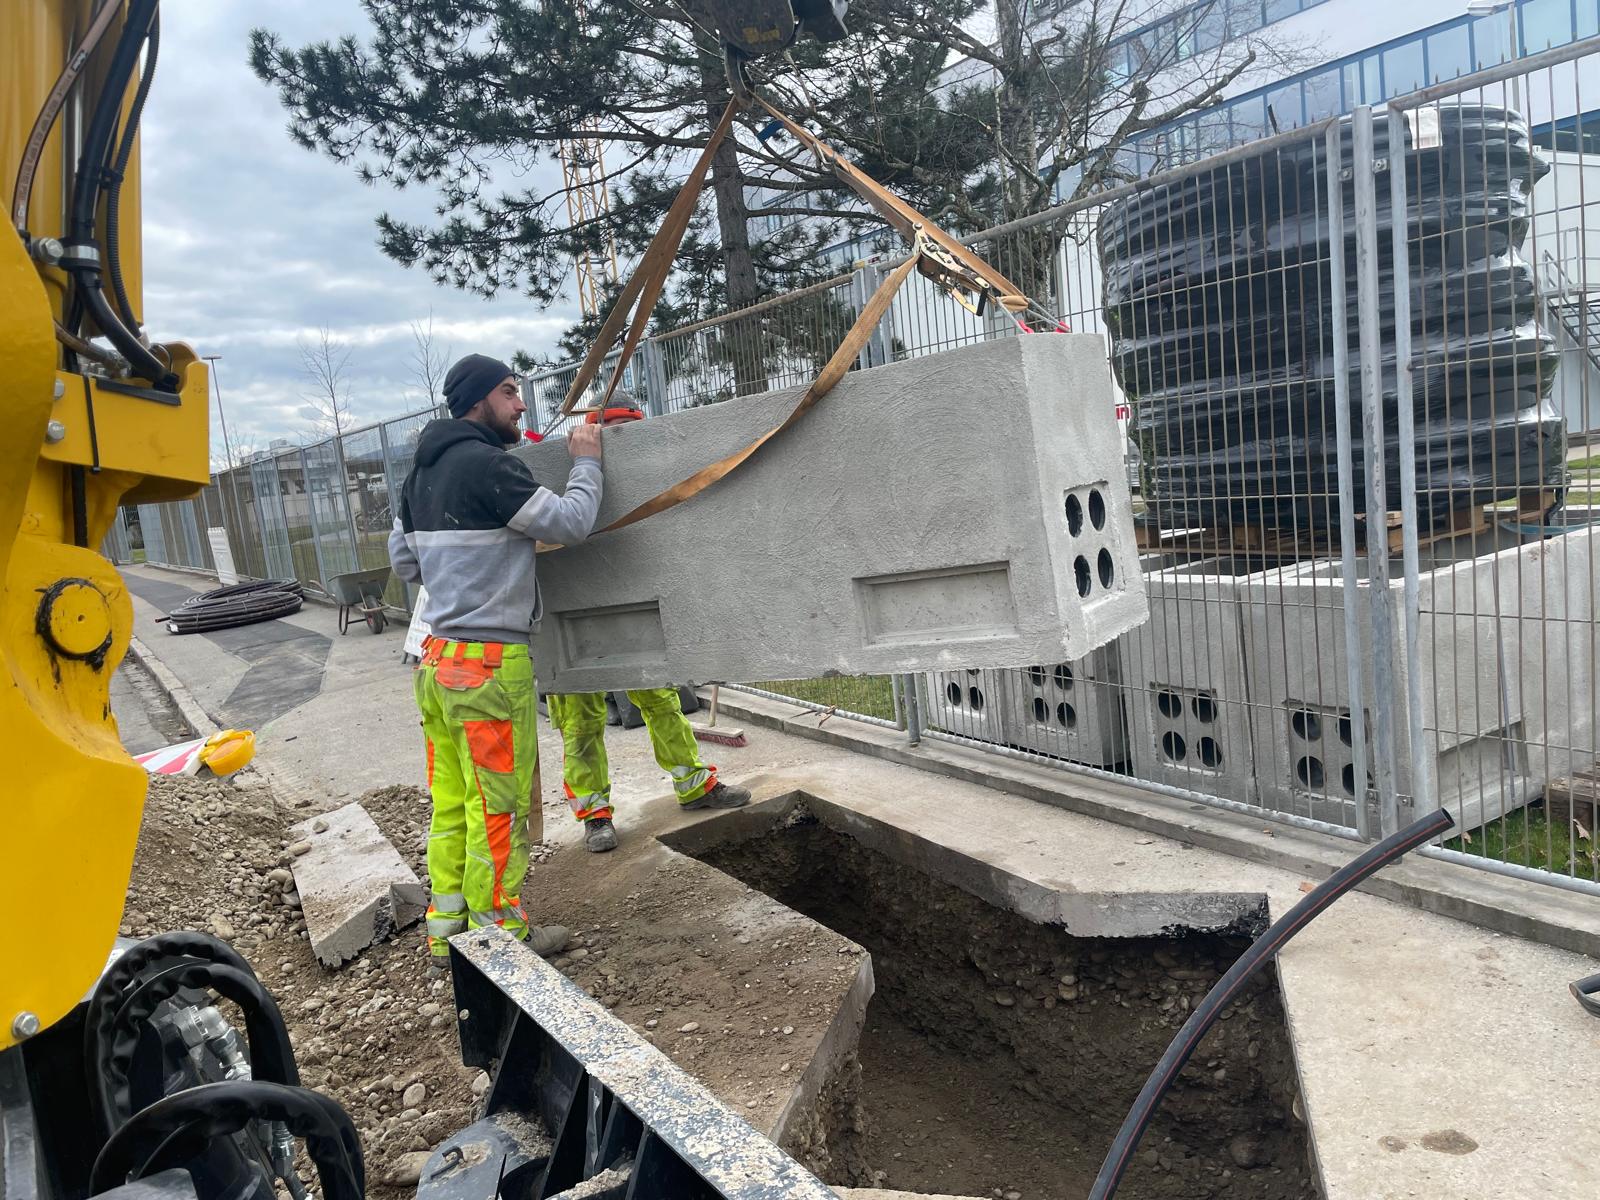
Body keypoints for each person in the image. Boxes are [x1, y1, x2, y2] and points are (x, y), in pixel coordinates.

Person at [388, 353, 603, 963]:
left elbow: (405, 565)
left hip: (436, 662)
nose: (521, 403)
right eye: (510, 392)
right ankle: (499, 938)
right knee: (499, 805)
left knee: (453, 802)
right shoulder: (489, 466)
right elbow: (572, 522)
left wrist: (468, 561)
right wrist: (587, 462)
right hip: (488, 668)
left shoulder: (417, 477)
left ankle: (447, 930)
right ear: (479, 400)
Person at [545, 395, 751, 854]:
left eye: (631, 429)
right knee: (580, 721)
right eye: (614, 430)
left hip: (634, 604)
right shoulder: (564, 470)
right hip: (575, 611)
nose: (624, 440)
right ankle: (595, 814)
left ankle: (694, 785)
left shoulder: (651, 467)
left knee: (661, 700)